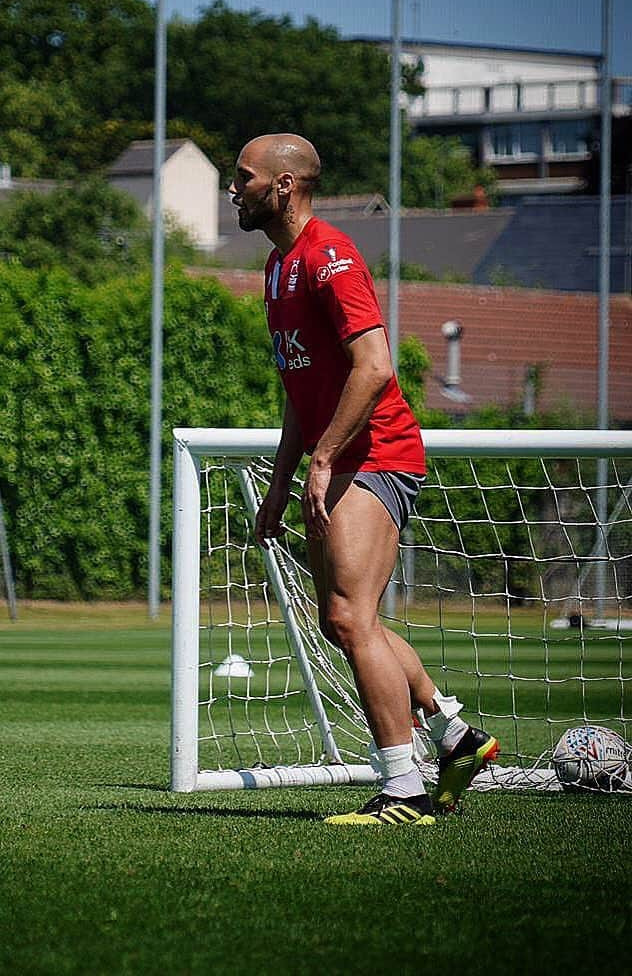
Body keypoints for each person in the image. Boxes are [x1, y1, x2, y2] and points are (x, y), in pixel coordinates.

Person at [230, 133, 498, 826]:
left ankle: (404, 790)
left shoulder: (329, 256)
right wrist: (284, 480)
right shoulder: (276, 265)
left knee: (351, 617)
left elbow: (374, 367)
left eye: (244, 177)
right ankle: (454, 733)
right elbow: (299, 388)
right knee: (342, 622)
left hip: (376, 455)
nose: (234, 189)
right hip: (336, 459)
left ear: (283, 186)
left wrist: (323, 460)